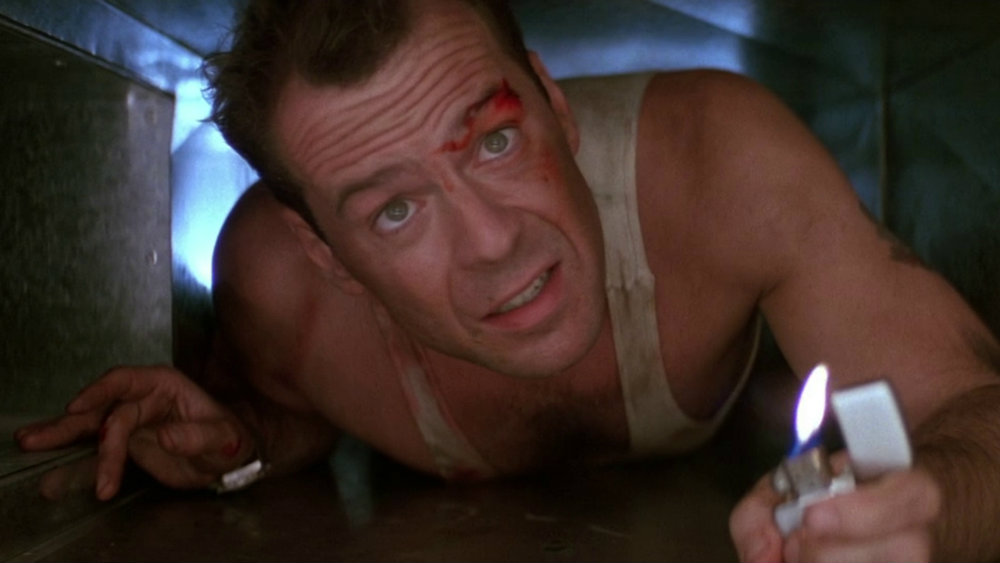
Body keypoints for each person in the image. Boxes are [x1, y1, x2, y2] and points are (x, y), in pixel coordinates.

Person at [14, 0, 1000, 560]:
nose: (492, 243)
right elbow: (294, 415)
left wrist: (929, 502)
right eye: (393, 211)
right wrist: (241, 440)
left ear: (554, 106)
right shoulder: (278, 288)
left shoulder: (723, 166)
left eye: (494, 140)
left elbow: (971, 408)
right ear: (324, 252)